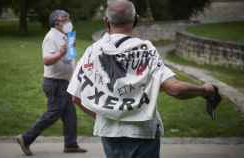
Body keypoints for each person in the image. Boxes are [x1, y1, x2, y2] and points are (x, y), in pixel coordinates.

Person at [67, 0, 221, 158]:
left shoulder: (91, 52)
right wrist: (204, 90)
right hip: (143, 133)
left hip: (109, 131)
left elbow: (75, 97)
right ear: (136, 20)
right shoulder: (146, 49)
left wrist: (105, 116)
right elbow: (174, 89)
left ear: (106, 21)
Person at [16, 10, 87, 156]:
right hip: (55, 83)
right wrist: (61, 53)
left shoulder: (66, 36)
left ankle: (71, 144)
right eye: (64, 19)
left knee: (70, 115)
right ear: (56, 21)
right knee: (52, 114)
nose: (68, 21)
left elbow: (70, 59)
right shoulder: (51, 37)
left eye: (69, 18)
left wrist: (76, 74)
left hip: (65, 82)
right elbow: (47, 60)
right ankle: (25, 138)